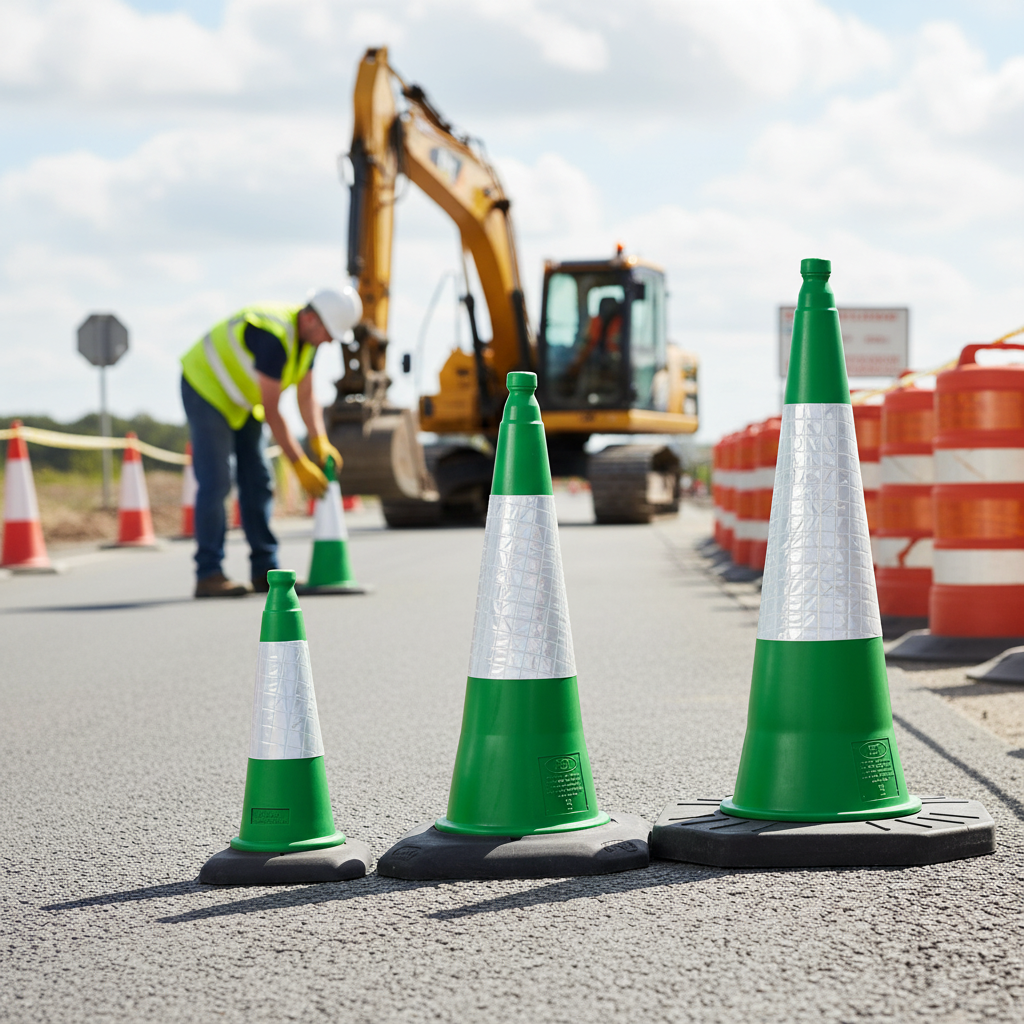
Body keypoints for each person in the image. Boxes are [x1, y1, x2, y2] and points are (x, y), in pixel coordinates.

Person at [180, 287, 361, 598]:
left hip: (241, 399)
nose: (330, 341)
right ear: (309, 319)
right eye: (329, 333)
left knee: (258, 480)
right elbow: (275, 412)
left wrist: (319, 439)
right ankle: (208, 574)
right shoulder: (272, 336)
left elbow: (306, 397)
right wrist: (298, 463)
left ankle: (265, 573)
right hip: (206, 388)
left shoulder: (308, 342)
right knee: (217, 481)